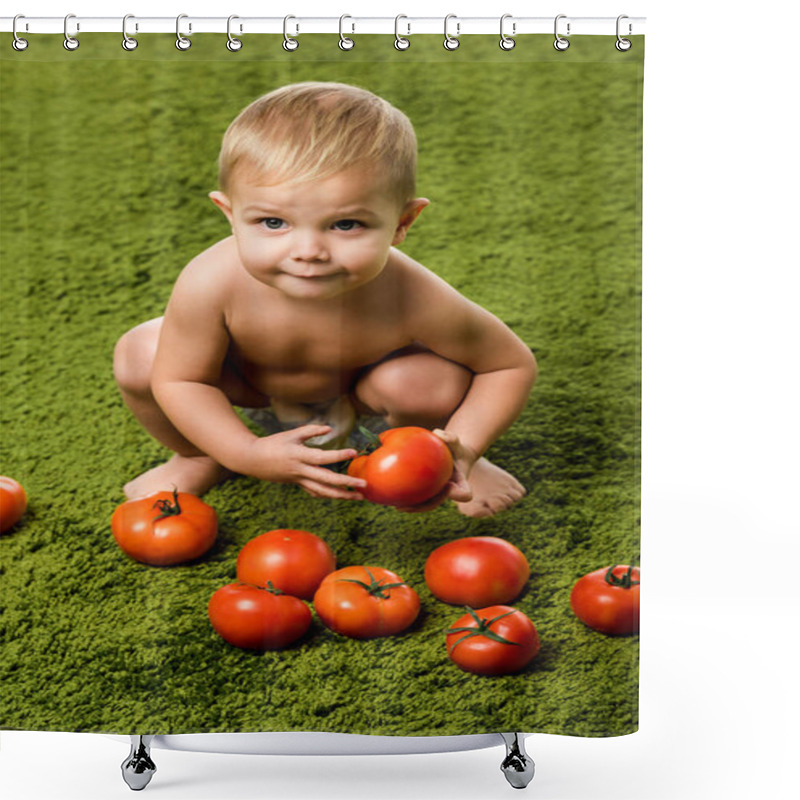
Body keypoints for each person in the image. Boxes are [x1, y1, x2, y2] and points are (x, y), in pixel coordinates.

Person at [113, 82, 537, 518]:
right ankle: (199, 456)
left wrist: (463, 447)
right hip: (249, 381)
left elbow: (508, 365)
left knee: (426, 383)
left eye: (347, 224)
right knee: (141, 355)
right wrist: (244, 452)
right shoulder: (210, 282)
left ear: (402, 223)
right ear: (230, 214)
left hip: (359, 386)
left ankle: (439, 455)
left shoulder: (410, 293)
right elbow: (183, 380)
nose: (308, 251)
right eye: (273, 221)